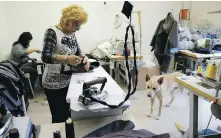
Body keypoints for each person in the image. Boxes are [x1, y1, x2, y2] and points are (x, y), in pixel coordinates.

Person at [41, 4, 89, 123]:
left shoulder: (71, 33)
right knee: (59, 118)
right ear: (68, 20)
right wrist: (67, 59)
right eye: (76, 25)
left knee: (68, 115)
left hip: (68, 81)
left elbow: (78, 51)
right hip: (53, 84)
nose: (77, 29)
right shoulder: (52, 32)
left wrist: (84, 57)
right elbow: (45, 56)